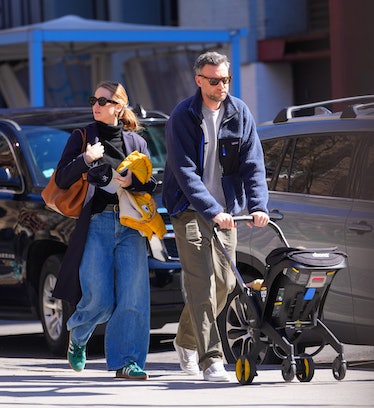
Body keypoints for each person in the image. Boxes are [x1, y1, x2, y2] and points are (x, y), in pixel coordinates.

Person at [162, 51, 269, 382]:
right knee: (202, 282)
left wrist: (258, 205)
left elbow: (253, 162)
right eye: (214, 80)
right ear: (199, 81)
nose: (221, 85)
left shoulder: (239, 112)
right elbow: (184, 172)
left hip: (228, 211)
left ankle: (185, 340)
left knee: (224, 283)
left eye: (226, 79)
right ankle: (212, 359)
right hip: (190, 209)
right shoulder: (182, 116)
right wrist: (213, 211)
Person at [53, 80, 155, 380]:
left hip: (130, 225)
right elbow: (61, 179)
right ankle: (79, 335)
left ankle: (127, 362)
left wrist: (130, 183)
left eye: (103, 101)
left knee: (133, 296)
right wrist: (86, 159)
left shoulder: (136, 143)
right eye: (93, 99)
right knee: (99, 298)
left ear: (119, 107)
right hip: (96, 223)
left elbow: (151, 182)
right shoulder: (83, 136)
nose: (96, 105)